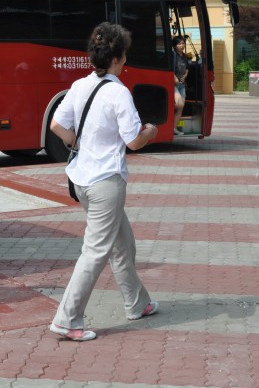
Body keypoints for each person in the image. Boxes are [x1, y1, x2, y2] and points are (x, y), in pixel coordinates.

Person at [48, 22, 159, 341]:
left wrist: (82, 145)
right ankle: (67, 318)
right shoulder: (118, 92)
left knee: (122, 242)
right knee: (95, 252)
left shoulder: (80, 85)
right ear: (119, 57)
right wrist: (151, 130)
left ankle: (138, 302)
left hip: (82, 179)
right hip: (105, 183)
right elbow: (134, 141)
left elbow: (57, 125)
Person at [172, 35, 189, 135]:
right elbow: (170, 69)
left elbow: (187, 68)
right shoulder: (173, 55)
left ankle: (174, 128)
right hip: (174, 84)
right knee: (179, 104)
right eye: (179, 44)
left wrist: (185, 76)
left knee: (181, 107)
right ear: (175, 45)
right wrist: (175, 78)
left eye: (183, 43)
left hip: (182, 85)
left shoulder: (184, 56)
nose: (182, 45)